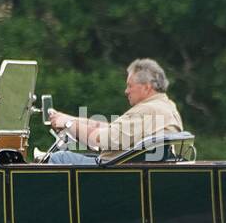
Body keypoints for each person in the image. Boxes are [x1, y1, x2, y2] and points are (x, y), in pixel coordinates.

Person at [46, 58, 183, 164]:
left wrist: (69, 125)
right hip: (132, 170)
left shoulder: (148, 110)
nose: (126, 91)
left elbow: (100, 140)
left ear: (146, 87)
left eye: (130, 86)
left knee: (60, 158)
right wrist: (69, 119)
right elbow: (111, 129)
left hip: (115, 173)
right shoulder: (166, 106)